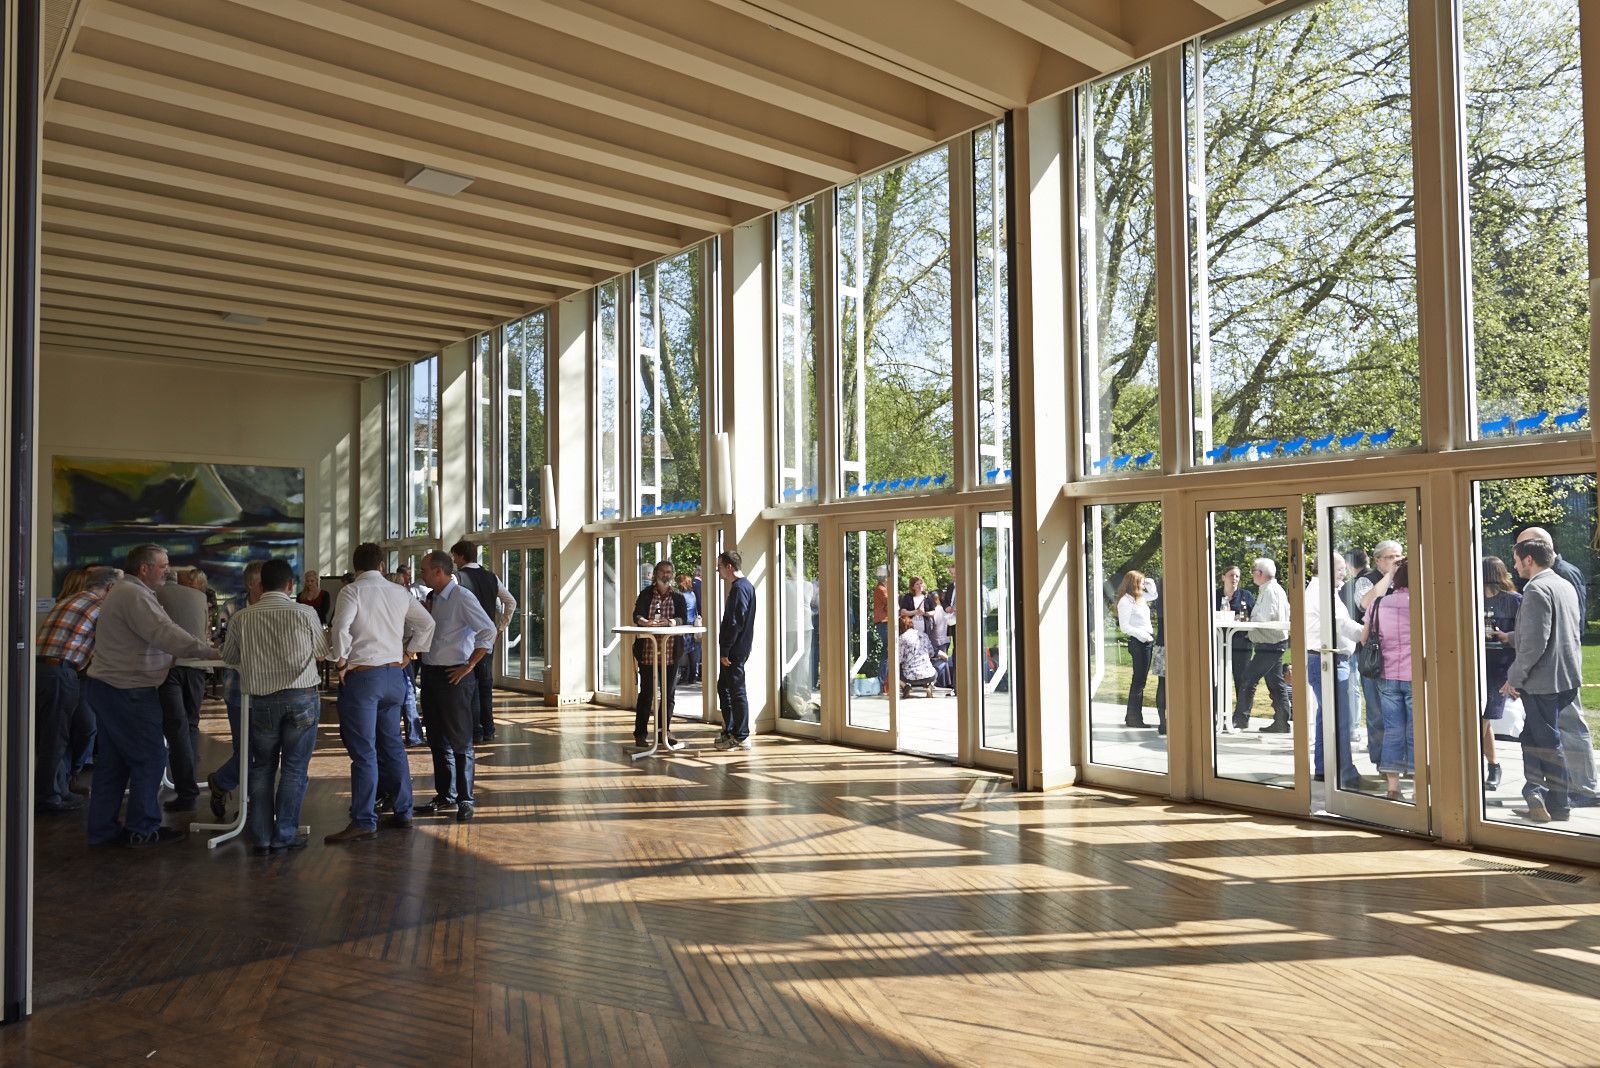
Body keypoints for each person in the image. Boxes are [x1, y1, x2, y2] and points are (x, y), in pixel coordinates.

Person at [85, 543, 218, 847]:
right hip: (127, 691)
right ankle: (142, 829)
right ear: (143, 569)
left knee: (113, 764)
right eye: (162, 565)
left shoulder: (125, 592)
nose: (168, 570)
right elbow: (166, 633)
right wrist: (210, 651)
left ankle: (103, 831)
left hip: (110, 687)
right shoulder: (134, 595)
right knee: (149, 758)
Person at [325, 542, 436, 843]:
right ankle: (404, 810)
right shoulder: (398, 591)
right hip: (394, 677)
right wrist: (410, 654)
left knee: (364, 751)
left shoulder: (352, 591)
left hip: (364, 679)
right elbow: (427, 623)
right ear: (382, 566)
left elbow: (340, 628)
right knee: (393, 745)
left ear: (356, 567)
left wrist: (341, 660)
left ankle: (363, 820)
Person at [222, 558, 327, 854]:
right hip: (302, 698)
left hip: (262, 700)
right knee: (294, 770)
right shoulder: (305, 612)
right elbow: (322, 652)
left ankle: (261, 836)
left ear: (259, 584)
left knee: (262, 768)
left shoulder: (243, 617)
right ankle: (284, 835)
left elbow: (228, 658)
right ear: (291, 584)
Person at [1513, 526, 1598, 806]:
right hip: (1561, 670)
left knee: (1566, 731)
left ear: (1532, 554)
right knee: (1546, 734)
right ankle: (1551, 790)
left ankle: (1579, 791)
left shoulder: (1558, 577)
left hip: (1552, 673)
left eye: (1519, 551)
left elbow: (1563, 629)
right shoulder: (1558, 578)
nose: (1515, 562)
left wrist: (1516, 675)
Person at [1503, 538, 1583, 823]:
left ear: (1528, 559)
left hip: (1543, 682)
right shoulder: (1564, 584)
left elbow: (1536, 643)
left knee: (1547, 742)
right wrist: (1510, 637)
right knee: (1532, 738)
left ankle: (1559, 805)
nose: (1513, 566)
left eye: (1515, 560)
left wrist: (1514, 678)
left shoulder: (1536, 589)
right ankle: (1536, 794)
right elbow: (1559, 631)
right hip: (1566, 678)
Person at [415, 551, 496, 821]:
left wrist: (469, 666)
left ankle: (465, 798)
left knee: (460, 740)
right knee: (437, 739)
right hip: (431, 675)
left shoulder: (462, 597)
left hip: (455, 677)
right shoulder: (433, 598)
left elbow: (488, 631)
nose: (420, 574)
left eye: (424, 569)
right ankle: (445, 794)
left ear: (439, 571)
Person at [34, 566, 117, 813]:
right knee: (55, 739)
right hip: (61, 672)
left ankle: (59, 789)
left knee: (52, 735)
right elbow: (115, 641)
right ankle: (48, 796)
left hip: (40, 670)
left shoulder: (70, 599)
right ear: (110, 587)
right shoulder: (100, 607)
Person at [207, 560, 264, 821]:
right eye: (262, 582)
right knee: (246, 751)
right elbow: (220, 643)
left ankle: (222, 783)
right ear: (249, 584)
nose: (267, 586)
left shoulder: (276, 604)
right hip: (238, 690)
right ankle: (249, 804)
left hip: (270, 691)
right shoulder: (231, 607)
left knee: (263, 751)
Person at [155, 568, 211, 813]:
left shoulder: (152, 594)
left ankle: (186, 792)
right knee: (190, 724)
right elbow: (205, 630)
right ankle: (189, 784)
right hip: (198, 667)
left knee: (176, 728)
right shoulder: (199, 597)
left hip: (170, 666)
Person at [1305, 555, 1363, 791]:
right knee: (1339, 719)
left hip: (1325, 660)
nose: (1344, 573)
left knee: (1326, 718)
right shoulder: (1321, 593)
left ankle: (1323, 769)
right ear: (1327, 569)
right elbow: (1342, 624)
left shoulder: (1322, 591)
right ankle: (1344, 772)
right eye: (1340, 569)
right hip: (1328, 660)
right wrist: (1369, 632)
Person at [450, 539, 517, 743]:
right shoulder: (491, 577)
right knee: (485, 686)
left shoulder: (457, 578)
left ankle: (476, 730)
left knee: (471, 686)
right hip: (486, 642)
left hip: (466, 642)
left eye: (454, 557)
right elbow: (511, 602)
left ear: (461, 556)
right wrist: (501, 628)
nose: (454, 561)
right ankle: (488, 728)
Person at [1363, 557, 1414, 801]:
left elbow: (1365, 640)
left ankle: (1393, 787)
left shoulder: (1380, 603)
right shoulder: (1424, 602)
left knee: (1393, 730)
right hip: (1416, 675)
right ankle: (1420, 787)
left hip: (1387, 675)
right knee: (1417, 731)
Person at [633, 559, 688, 749]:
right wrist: (644, 622)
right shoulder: (646, 594)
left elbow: (683, 618)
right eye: (663, 572)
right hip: (648, 650)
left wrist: (670, 622)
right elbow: (637, 615)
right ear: (656, 574)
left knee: (669, 694)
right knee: (646, 694)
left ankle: (664, 731)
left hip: (671, 652)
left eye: (669, 572)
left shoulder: (678, 597)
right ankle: (640, 734)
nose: (666, 575)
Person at [1355, 540, 1402, 761]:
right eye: (1391, 557)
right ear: (1377, 560)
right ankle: (1380, 760)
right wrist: (1390, 575)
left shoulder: (1408, 579)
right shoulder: (1366, 581)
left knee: (1399, 711)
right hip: (1374, 655)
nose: (1396, 561)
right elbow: (1367, 604)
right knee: (1375, 711)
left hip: (1400, 656)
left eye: (1399, 556)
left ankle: (1400, 759)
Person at [1237, 558, 1292, 732]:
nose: (1252, 573)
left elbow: (1264, 619)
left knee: (1247, 678)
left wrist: (1247, 627)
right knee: (1275, 683)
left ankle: (1240, 719)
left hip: (1270, 644)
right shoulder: (1274, 589)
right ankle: (1282, 722)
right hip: (1272, 643)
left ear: (1259, 573)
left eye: (1253, 570)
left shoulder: (1269, 591)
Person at [1481, 556, 1521, 792]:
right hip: (1476, 664)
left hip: (1501, 666)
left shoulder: (1514, 600)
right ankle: (1493, 766)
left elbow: (1523, 636)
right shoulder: (1471, 599)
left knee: (1482, 720)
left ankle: (1487, 767)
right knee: (1480, 719)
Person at [714, 550, 757, 750]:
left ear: (729, 567)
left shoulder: (740, 589)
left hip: (735, 650)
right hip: (737, 648)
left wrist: (725, 649)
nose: (718, 570)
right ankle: (731, 730)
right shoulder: (744, 587)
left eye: (720, 566)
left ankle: (740, 735)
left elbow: (735, 621)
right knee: (724, 687)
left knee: (736, 692)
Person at [1215, 565, 1256, 722]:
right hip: (1219, 644)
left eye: (1237, 576)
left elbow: (1256, 616)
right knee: (1219, 680)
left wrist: (1246, 624)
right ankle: (1218, 716)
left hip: (1241, 644)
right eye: (1231, 575)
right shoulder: (1214, 595)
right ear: (1223, 577)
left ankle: (1241, 718)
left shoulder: (1246, 595)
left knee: (1242, 680)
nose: (1235, 579)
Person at [1116, 571, 1155, 729]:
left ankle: (1131, 716)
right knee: (1138, 681)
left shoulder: (1140, 598)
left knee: (1141, 680)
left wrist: (1149, 581)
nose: (1142, 585)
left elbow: (1154, 595)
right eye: (1140, 582)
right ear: (1133, 583)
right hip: (1139, 642)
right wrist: (1143, 636)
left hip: (1146, 641)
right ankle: (1134, 718)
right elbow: (1125, 627)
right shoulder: (1125, 601)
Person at [897, 615, 936, 698]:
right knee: (938, 665)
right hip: (929, 674)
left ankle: (905, 686)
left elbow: (899, 659)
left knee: (892, 668)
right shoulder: (924, 635)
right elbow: (931, 653)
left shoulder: (902, 638)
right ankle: (930, 685)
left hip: (909, 676)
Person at [677, 572, 700, 684]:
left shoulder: (681, 596)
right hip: (692, 623)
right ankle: (693, 675)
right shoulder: (692, 594)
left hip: (684, 624)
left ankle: (684, 675)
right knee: (692, 649)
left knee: (683, 650)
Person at [872, 571, 891, 686]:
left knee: (887, 652)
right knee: (887, 651)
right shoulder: (881, 589)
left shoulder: (882, 588)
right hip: (883, 622)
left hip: (884, 622)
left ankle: (884, 682)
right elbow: (891, 603)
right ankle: (882, 681)